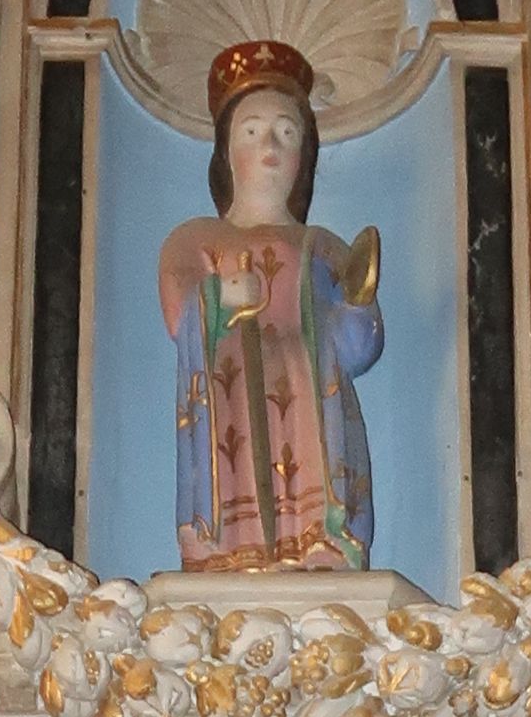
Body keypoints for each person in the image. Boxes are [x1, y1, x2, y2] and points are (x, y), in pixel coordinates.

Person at [157, 35, 381, 571]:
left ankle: (321, 539)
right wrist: (219, 296)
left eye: (286, 132)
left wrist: (357, 304)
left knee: (313, 466)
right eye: (252, 131)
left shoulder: (324, 246)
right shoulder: (195, 239)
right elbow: (179, 311)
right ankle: (227, 544)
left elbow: (359, 348)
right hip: (231, 389)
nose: (270, 147)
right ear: (226, 152)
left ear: (305, 155)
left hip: (311, 392)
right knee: (237, 461)